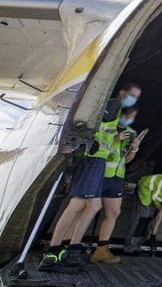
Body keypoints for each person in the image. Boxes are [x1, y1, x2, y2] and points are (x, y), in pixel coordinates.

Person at [40, 83, 141, 272]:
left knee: (94, 206)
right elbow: (98, 135)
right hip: (93, 162)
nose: (133, 99)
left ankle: (72, 251)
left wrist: (131, 147)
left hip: (100, 164)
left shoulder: (121, 120)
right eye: (132, 94)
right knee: (76, 206)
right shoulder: (112, 107)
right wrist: (116, 140)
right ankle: (53, 253)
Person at [88, 107, 145, 264]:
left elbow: (126, 159)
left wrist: (134, 149)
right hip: (98, 174)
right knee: (87, 210)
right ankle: (69, 246)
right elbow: (96, 148)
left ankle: (101, 250)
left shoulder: (130, 132)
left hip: (116, 177)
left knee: (113, 213)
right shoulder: (105, 126)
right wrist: (115, 139)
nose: (128, 118)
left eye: (132, 116)